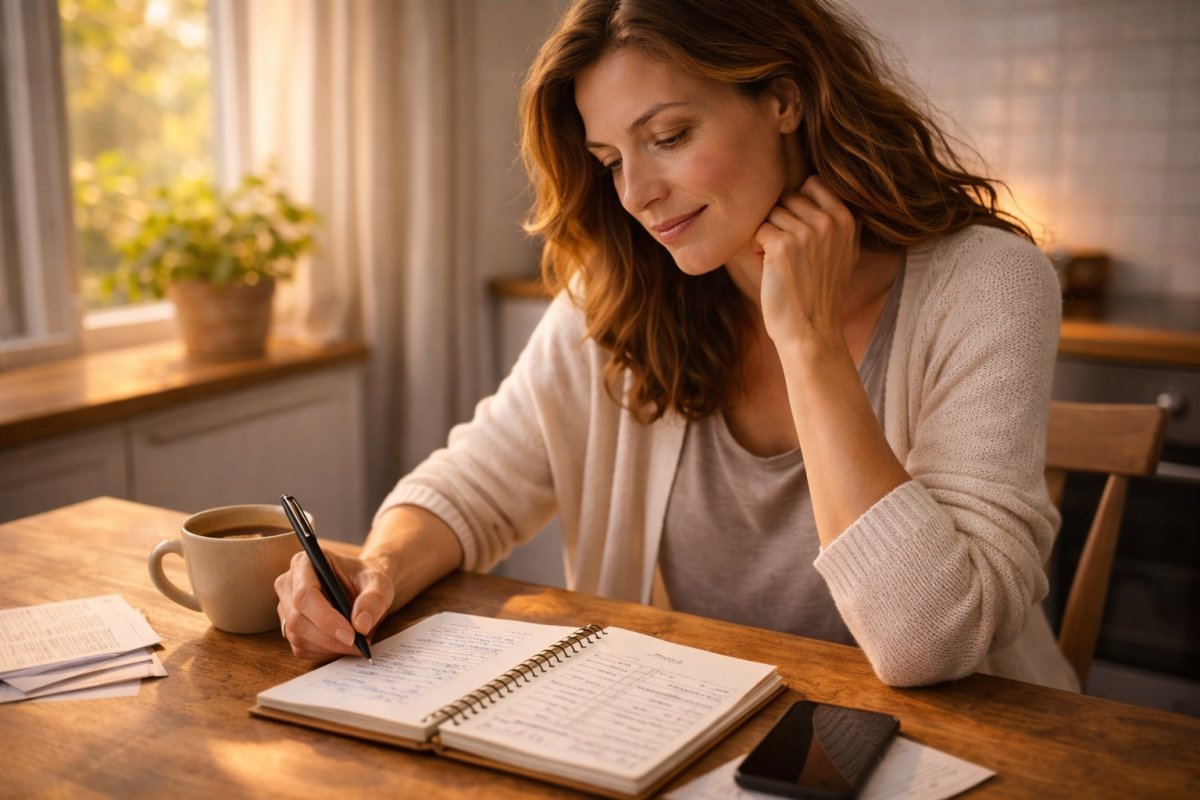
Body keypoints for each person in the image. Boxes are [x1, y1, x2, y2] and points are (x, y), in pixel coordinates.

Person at [276, 0, 1079, 691]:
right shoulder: (622, 291)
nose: (635, 195)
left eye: (668, 135)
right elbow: (475, 484)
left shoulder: (989, 284)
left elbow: (928, 644)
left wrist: (807, 341)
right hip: (689, 733)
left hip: (957, 754)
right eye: (610, 160)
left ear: (784, 99)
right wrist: (378, 570)